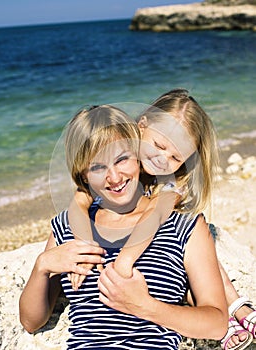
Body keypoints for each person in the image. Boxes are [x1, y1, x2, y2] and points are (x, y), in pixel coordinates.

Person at [19, 104, 228, 350]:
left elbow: (217, 324)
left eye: (121, 160)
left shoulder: (183, 225)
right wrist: (41, 267)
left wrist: (145, 306)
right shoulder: (69, 226)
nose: (115, 177)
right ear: (83, 175)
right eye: (98, 167)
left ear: (137, 155)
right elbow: (31, 321)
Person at [67, 90, 255, 350]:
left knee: (199, 254)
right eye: (159, 146)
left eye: (176, 157)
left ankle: (235, 305)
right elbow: (78, 202)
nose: (163, 160)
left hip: (162, 233)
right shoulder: (119, 155)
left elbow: (154, 216)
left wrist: (124, 262)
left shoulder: (170, 185)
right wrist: (83, 247)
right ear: (141, 126)